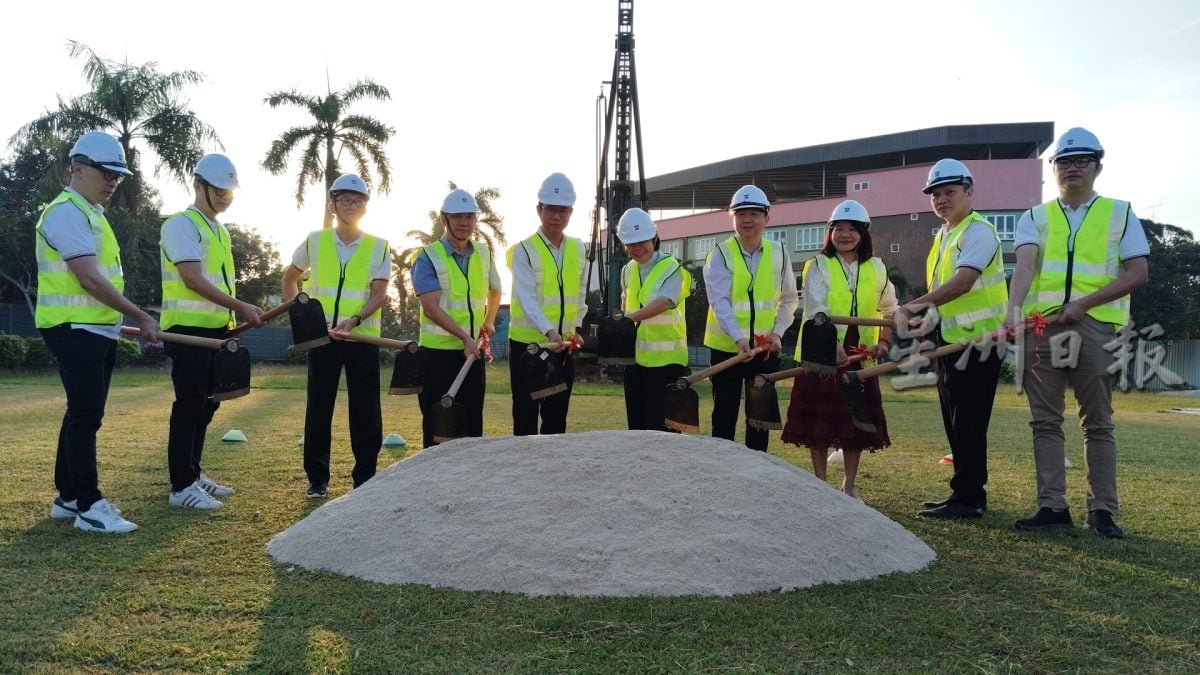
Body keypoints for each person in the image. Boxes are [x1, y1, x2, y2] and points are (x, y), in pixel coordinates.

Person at [1005, 128, 1149, 538]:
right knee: (1044, 422)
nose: (1071, 168)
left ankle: (1102, 510)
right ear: (1053, 170)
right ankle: (1052, 506)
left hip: (1095, 325)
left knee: (1098, 423)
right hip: (1041, 328)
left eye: (1081, 160)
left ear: (1097, 166)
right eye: (1063, 162)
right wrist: (1013, 312)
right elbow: (1026, 267)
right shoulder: (1035, 216)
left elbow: (1137, 273)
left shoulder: (1121, 213)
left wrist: (1084, 304)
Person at [37, 131, 160, 533]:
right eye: (106, 173)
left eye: (117, 175)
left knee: (82, 411)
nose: (112, 181)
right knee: (86, 413)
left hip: (93, 328)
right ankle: (89, 505)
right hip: (74, 329)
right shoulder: (66, 212)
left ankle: (69, 496)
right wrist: (141, 316)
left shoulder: (91, 213)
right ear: (77, 168)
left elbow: (95, 283)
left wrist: (118, 320)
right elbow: (89, 279)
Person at [901, 159, 1008, 519]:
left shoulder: (978, 231)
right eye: (935, 194)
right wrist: (925, 323)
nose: (942, 199)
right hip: (950, 341)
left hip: (978, 343)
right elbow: (940, 295)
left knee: (970, 422)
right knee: (955, 422)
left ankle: (969, 498)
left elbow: (963, 283)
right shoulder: (945, 236)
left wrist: (912, 307)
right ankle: (964, 492)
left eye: (950, 192)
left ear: (969, 191)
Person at [158, 154, 263, 510]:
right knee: (189, 405)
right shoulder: (180, 225)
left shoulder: (219, 231)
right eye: (218, 190)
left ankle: (193, 473)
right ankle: (180, 486)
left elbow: (220, 284)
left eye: (229, 191)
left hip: (219, 331)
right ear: (198, 184)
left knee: (208, 405)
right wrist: (242, 306)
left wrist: (233, 319)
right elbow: (192, 278)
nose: (224, 197)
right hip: (187, 332)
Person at [281, 174, 390, 498]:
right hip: (322, 339)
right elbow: (290, 279)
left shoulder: (379, 246)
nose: (351, 205)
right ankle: (317, 479)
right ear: (333, 204)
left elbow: (379, 294)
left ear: (365, 207)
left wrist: (354, 320)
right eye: (344, 199)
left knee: (366, 409)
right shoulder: (315, 240)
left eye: (357, 201)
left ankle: (366, 478)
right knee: (319, 407)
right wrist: (301, 318)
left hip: (361, 339)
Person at [781, 200, 895, 497]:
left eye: (852, 229)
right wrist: (832, 346)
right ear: (829, 233)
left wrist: (883, 341)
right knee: (818, 424)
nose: (845, 235)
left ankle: (849, 486)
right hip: (821, 353)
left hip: (861, 355)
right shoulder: (816, 265)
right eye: (838, 229)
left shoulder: (878, 267)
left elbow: (889, 309)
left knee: (854, 425)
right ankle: (820, 484)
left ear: (863, 233)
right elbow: (817, 308)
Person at [702, 185, 799, 451]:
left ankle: (757, 475)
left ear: (767, 218)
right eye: (741, 213)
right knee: (724, 414)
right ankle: (723, 471)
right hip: (727, 349)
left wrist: (778, 333)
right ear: (732, 218)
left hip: (765, 350)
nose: (748, 219)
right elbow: (719, 301)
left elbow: (790, 299)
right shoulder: (720, 254)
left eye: (755, 213)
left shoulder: (779, 252)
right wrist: (738, 338)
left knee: (760, 419)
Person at [410, 188, 502, 447]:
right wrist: (464, 337)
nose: (464, 223)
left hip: (472, 355)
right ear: (444, 220)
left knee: (472, 425)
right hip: (437, 356)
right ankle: (435, 483)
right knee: (438, 427)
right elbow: (431, 307)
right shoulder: (427, 257)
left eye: (470, 217)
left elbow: (496, 289)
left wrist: (490, 320)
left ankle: (470, 484)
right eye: (457, 216)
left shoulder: (483, 253)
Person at [506, 172, 588, 435]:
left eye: (563, 210)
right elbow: (527, 299)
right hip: (528, 346)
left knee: (556, 417)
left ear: (571, 212)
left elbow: (580, 294)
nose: (556, 216)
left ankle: (552, 474)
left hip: (563, 345)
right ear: (539, 209)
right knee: (526, 415)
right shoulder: (524, 250)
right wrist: (549, 331)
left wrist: (575, 328)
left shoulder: (578, 248)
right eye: (551, 209)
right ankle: (525, 472)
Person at [615, 208, 691, 432]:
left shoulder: (672, 268)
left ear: (655, 238)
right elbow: (625, 304)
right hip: (636, 362)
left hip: (667, 364)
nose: (637, 248)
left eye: (642, 241)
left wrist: (627, 319)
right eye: (631, 243)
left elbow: (664, 302)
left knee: (663, 431)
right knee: (637, 428)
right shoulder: (627, 270)